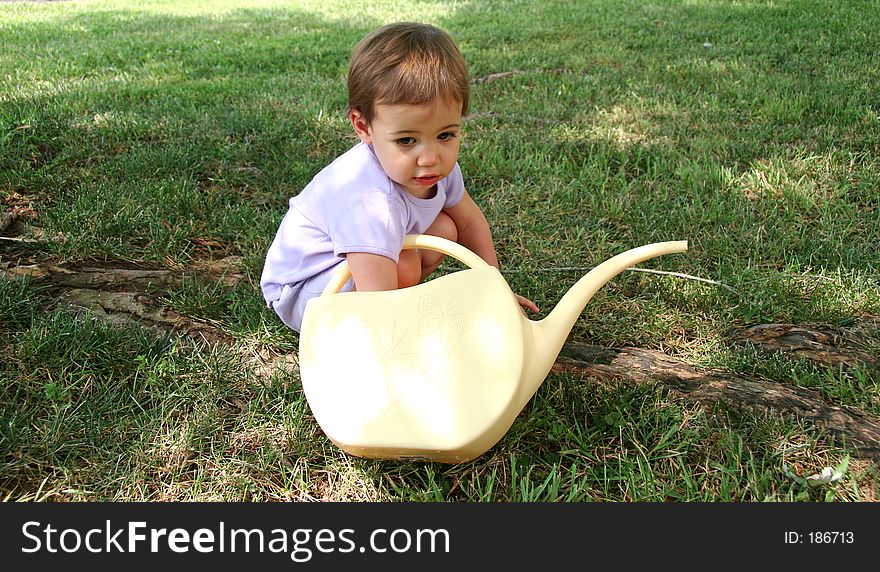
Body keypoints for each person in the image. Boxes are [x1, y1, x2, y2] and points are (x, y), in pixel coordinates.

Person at [260, 21, 538, 331]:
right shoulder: (368, 199)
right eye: (407, 140)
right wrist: (405, 344)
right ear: (364, 127)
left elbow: (470, 222)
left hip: (363, 266)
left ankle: (403, 296)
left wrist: (496, 293)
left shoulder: (436, 170)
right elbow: (373, 298)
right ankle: (398, 314)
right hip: (304, 291)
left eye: (446, 135)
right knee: (403, 264)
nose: (430, 158)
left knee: (445, 228)